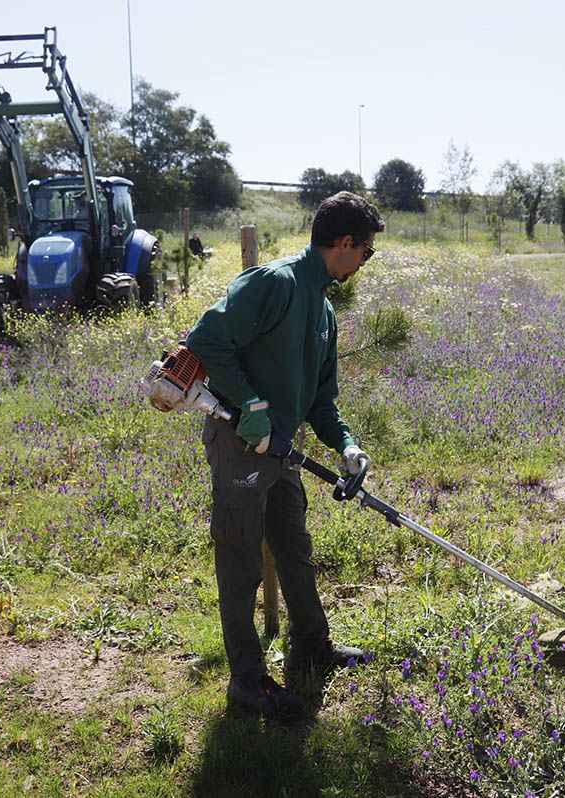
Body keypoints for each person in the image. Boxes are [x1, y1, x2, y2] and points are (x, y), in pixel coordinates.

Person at [185, 191, 383, 718]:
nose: (365, 260)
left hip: (282, 450)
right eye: (366, 250)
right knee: (241, 559)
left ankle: (311, 646)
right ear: (344, 244)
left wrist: (346, 444)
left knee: (294, 549)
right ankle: (247, 681)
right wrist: (249, 405)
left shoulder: (322, 310)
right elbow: (206, 339)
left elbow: (321, 399)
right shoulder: (274, 283)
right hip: (242, 446)